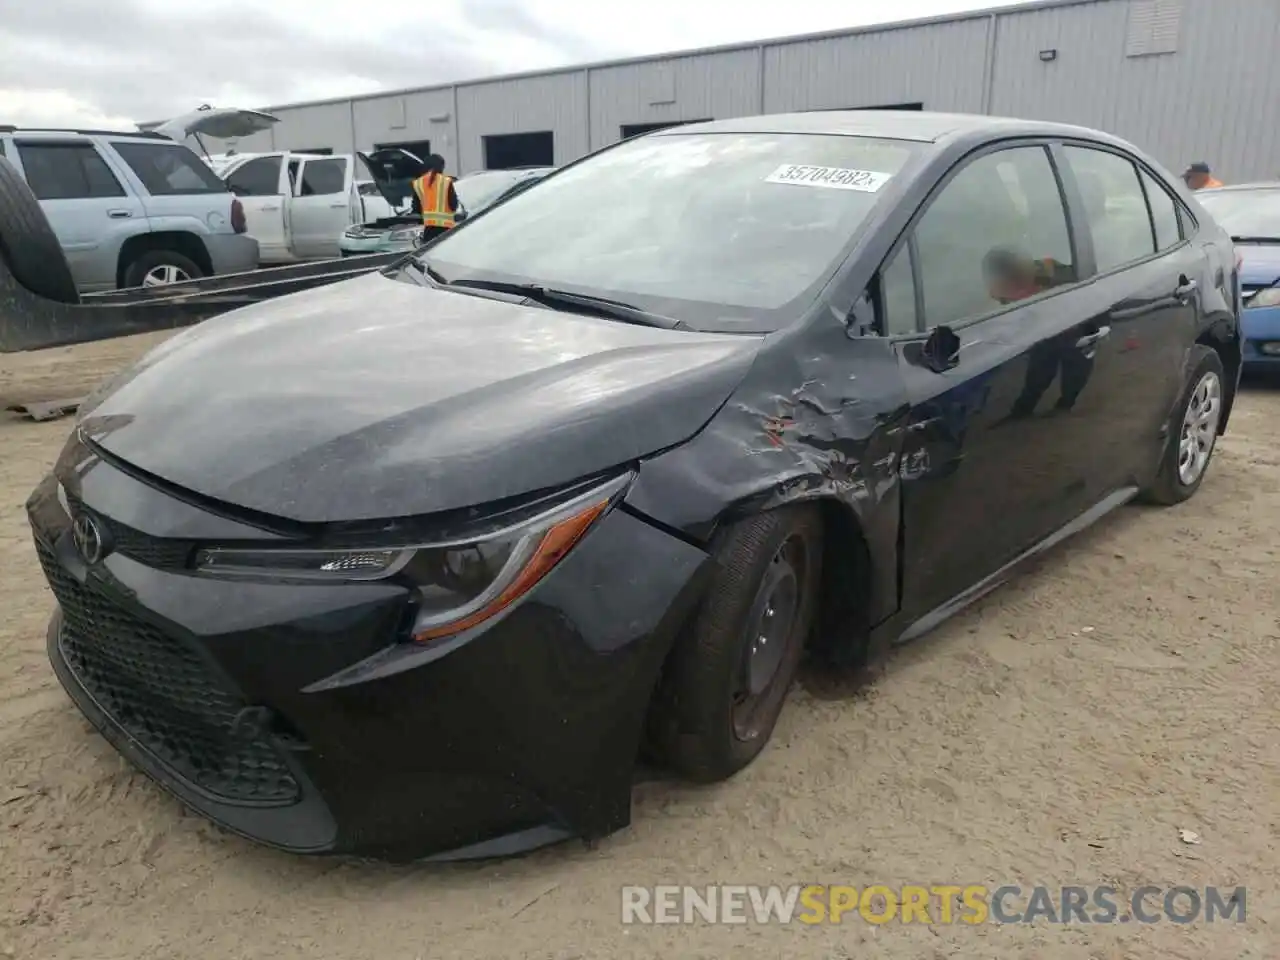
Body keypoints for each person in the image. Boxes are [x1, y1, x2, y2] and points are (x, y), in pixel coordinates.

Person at [409, 154, 464, 244]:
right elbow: (453, 205)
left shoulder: (418, 183)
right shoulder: (446, 181)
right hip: (446, 230)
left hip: (428, 231)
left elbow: (416, 209)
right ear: (441, 166)